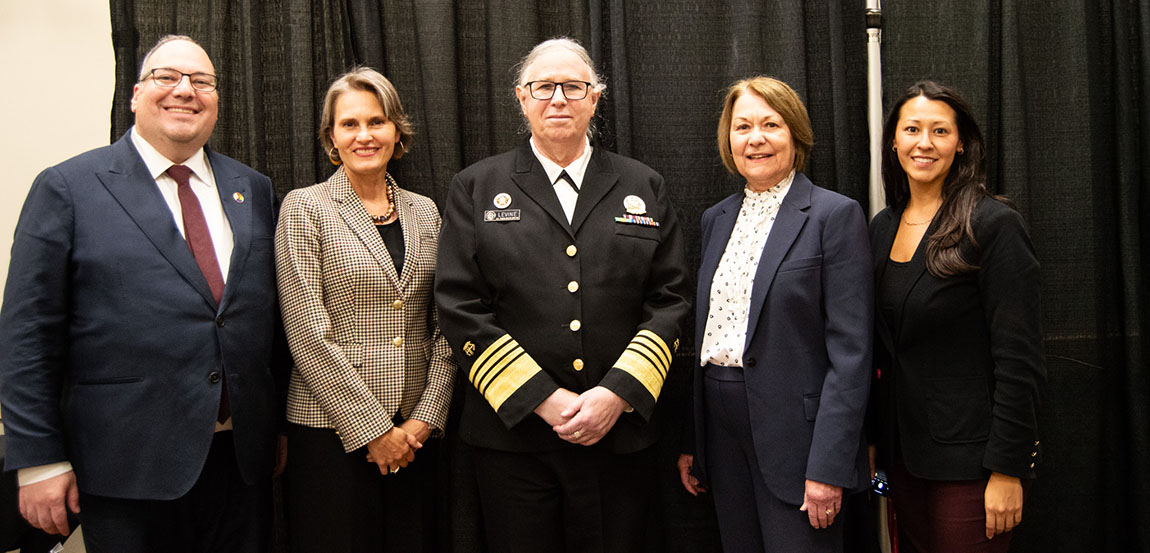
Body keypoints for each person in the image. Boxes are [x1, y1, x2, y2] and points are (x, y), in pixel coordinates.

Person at [0, 35, 283, 552]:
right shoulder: (68, 187)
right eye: (166, 77)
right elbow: (27, 335)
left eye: (201, 81)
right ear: (134, 95)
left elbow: (266, 320)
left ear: (217, 99)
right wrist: (37, 460)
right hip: (126, 466)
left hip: (240, 466)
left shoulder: (253, 188)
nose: (185, 91)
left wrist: (276, 429)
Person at [435, 37, 690, 553]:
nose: (558, 99)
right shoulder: (477, 187)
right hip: (514, 443)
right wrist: (545, 401)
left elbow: (670, 300)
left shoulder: (643, 184)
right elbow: (460, 306)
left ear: (595, 99)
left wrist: (615, 395)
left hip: (618, 438)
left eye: (572, 87)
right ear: (521, 98)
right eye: (543, 87)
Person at [676, 76, 873, 552]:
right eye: (742, 126)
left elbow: (852, 354)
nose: (756, 138)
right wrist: (693, 440)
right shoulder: (715, 219)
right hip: (721, 433)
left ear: (796, 135)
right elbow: (704, 334)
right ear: (729, 139)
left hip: (798, 440)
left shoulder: (834, 216)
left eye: (771, 124)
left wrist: (828, 467)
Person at [274, 67, 456, 553]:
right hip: (330, 431)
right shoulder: (305, 207)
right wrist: (376, 432)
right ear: (331, 138)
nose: (364, 135)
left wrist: (424, 419)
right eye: (349, 124)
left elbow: (447, 327)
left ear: (397, 131)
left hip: (417, 433)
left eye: (376, 122)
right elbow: (307, 332)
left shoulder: (426, 211)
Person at [868, 80, 1044, 553]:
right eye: (912, 129)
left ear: (961, 142)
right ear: (894, 140)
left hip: (974, 466)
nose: (924, 143)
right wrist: (873, 440)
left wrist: (1009, 468)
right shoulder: (882, 227)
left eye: (940, 131)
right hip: (902, 460)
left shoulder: (993, 224)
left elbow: (1019, 360)